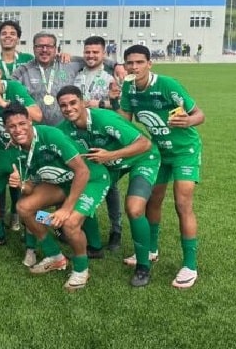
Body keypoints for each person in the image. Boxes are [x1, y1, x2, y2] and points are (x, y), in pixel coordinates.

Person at [119, 44, 205, 289]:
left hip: (184, 151)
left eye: (139, 62)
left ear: (149, 64)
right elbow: (124, 120)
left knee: (182, 204)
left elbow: (200, 114)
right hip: (157, 152)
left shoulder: (167, 85)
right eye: (130, 63)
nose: (134, 67)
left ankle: (190, 264)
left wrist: (188, 120)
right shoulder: (128, 87)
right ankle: (151, 250)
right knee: (152, 201)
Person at [56, 85, 160, 287]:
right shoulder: (64, 129)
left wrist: (109, 155)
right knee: (80, 190)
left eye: (73, 103)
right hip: (109, 164)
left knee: (134, 207)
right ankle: (94, 247)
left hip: (141, 158)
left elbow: (144, 144)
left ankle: (143, 266)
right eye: (63, 106)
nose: (68, 108)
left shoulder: (104, 119)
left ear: (83, 102)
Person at [3, 103, 111, 292]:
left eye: (22, 123)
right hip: (61, 183)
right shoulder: (14, 150)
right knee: (24, 208)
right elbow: (30, 188)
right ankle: (55, 256)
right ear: (6, 128)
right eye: (12, 126)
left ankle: (81, 269)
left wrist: (66, 209)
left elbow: (82, 171)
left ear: (30, 121)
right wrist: (20, 183)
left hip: (91, 179)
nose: (18, 130)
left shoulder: (50, 135)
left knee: (70, 223)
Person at [0, 56, 42, 250]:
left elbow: (37, 115)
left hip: (21, 152)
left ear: (0, 74)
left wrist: (3, 104)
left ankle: (31, 241)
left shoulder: (14, 88)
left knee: (25, 191)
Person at [74, 36, 124, 250]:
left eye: (96, 52)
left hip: (105, 136)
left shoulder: (112, 76)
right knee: (84, 179)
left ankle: (116, 229)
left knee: (110, 184)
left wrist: (96, 103)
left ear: (104, 53)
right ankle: (85, 226)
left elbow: (120, 107)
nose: (91, 56)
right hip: (81, 135)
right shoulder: (76, 75)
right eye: (88, 52)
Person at [12, 32, 124, 126]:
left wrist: (116, 65)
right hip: (38, 129)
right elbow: (9, 89)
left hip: (69, 129)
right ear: (34, 48)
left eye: (49, 46)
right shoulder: (23, 71)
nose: (44, 50)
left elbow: (94, 59)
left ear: (56, 48)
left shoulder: (69, 63)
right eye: (40, 46)